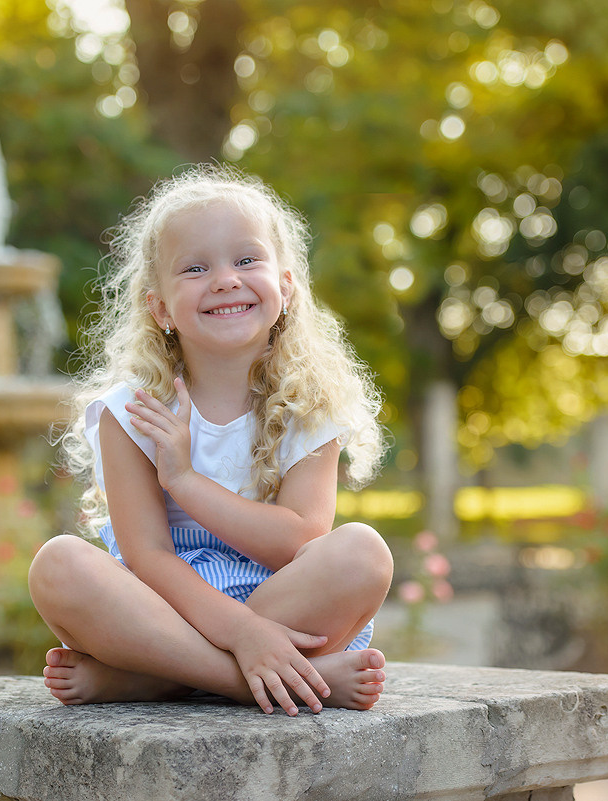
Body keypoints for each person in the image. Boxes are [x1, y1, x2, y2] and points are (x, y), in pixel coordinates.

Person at [28, 165, 393, 716]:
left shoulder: (311, 404)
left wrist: (185, 481)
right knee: (58, 565)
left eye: (246, 260)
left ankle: (155, 679)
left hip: (282, 599)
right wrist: (241, 632)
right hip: (164, 607)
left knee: (363, 553)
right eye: (196, 268)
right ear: (159, 308)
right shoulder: (132, 411)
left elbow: (299, 539)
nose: (225, 280)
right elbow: (147, 556)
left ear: (285, 287)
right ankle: (266, 679)